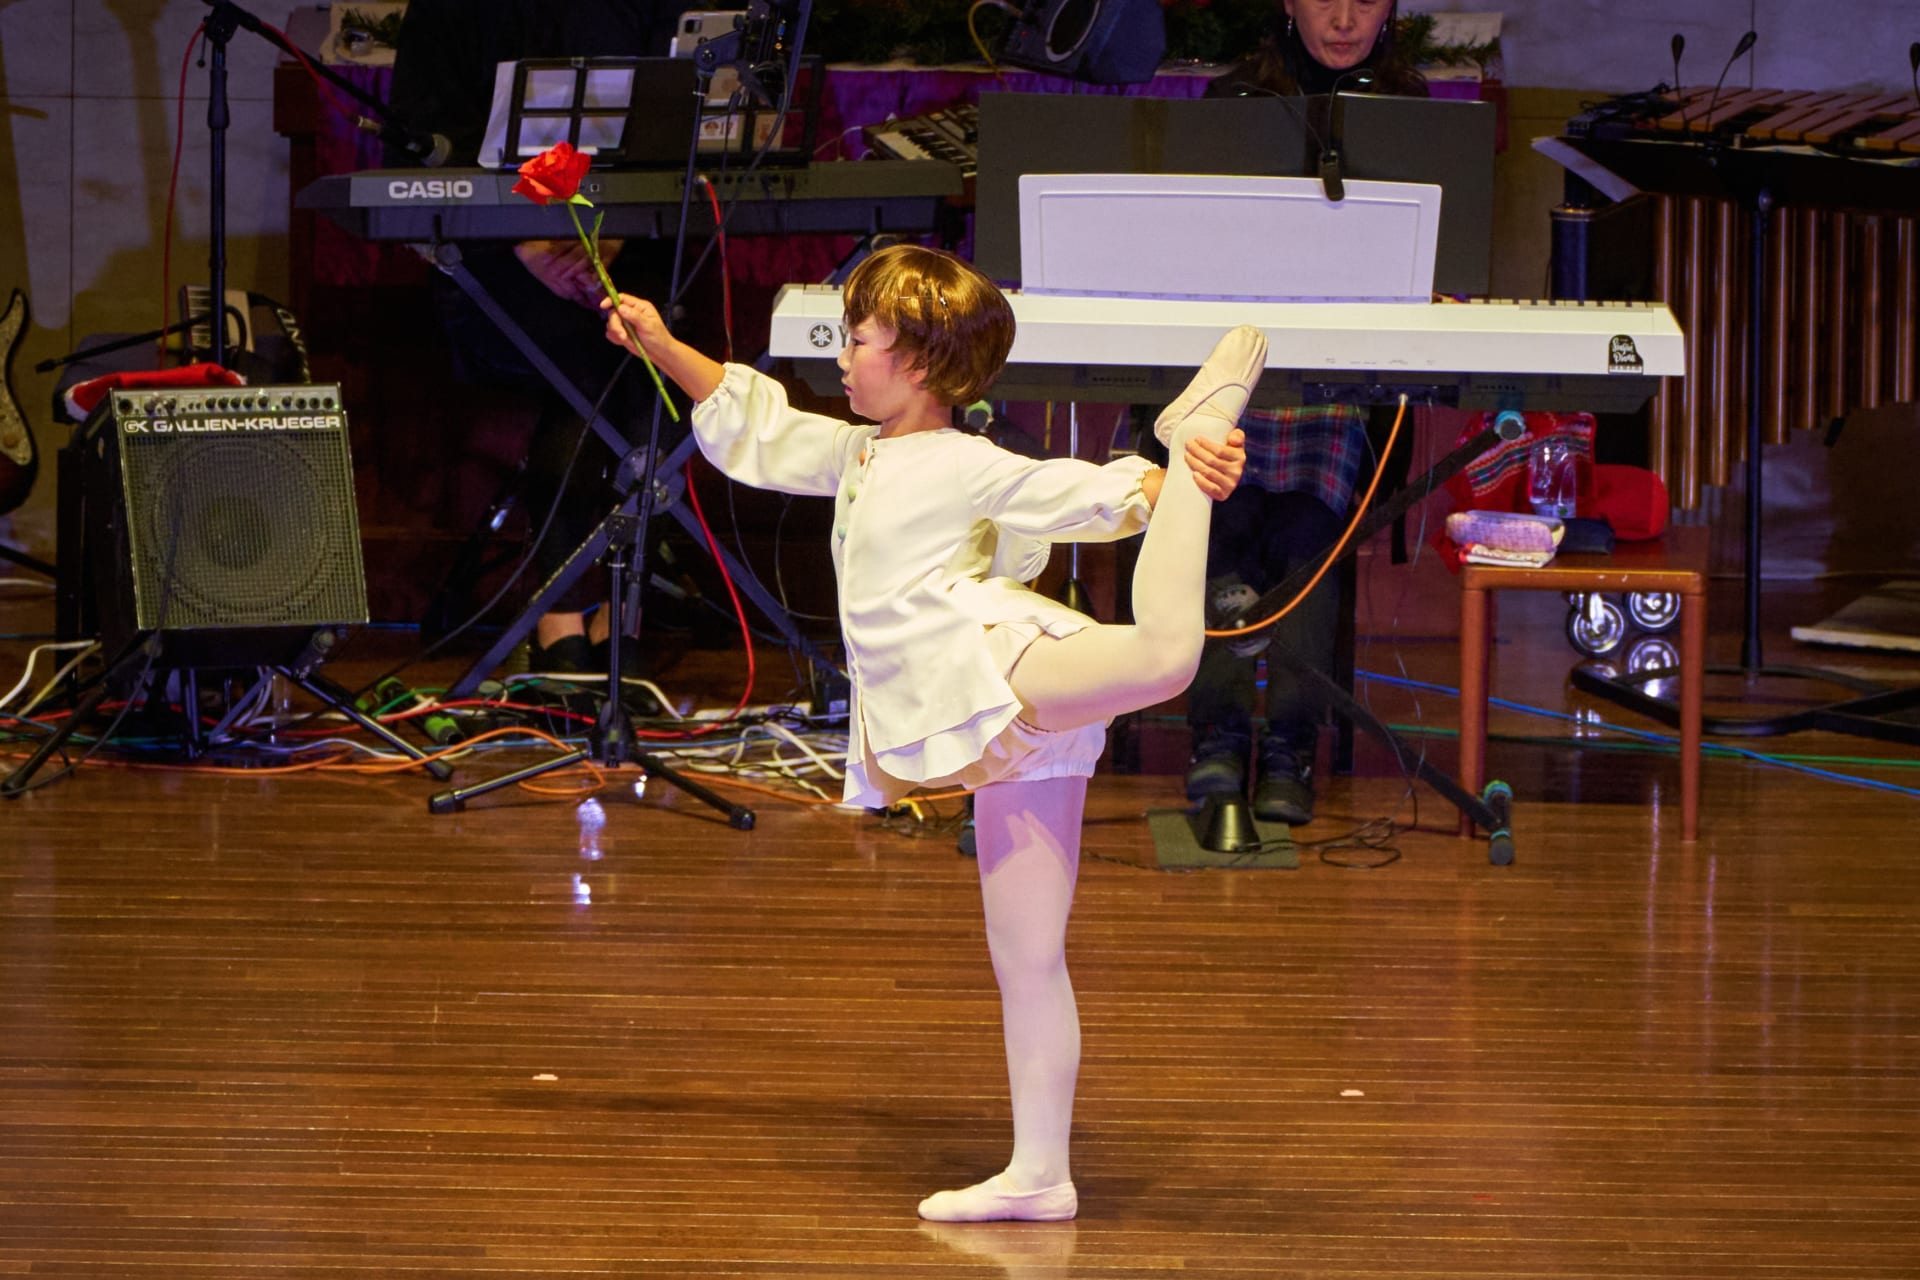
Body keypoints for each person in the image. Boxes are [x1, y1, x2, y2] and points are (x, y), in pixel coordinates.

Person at [602, 244, 1258, 1221]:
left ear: (916, 361)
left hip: (987, 664)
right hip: (977, 720)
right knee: (1026, 954)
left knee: (1166, 657)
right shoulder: (860, 454)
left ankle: (1191, 425)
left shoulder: (965, 460)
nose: (841, 358)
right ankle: (1042, 1173)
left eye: (857, 341)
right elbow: (764, 430)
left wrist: (1182, 475)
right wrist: (660, 344)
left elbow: (1085, 494)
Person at [386, 0, 693, 673]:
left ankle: (620, 611)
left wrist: (612, 231)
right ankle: (561, 616)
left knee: (663, 350)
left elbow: (672, 123)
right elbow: (421, 145)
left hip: (619, 241)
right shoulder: (448, 13)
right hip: (494, 255)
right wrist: (526, 240)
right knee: (583, 362)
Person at [1184, 0, 1427, 825]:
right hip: (1236, 361)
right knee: (1215, 505)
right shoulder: (1235, 103)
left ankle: (1290, 741)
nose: (1346, 16)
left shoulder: (1410, 110)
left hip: (1341, 381)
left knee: (1308, 527)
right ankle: (1218, 735)